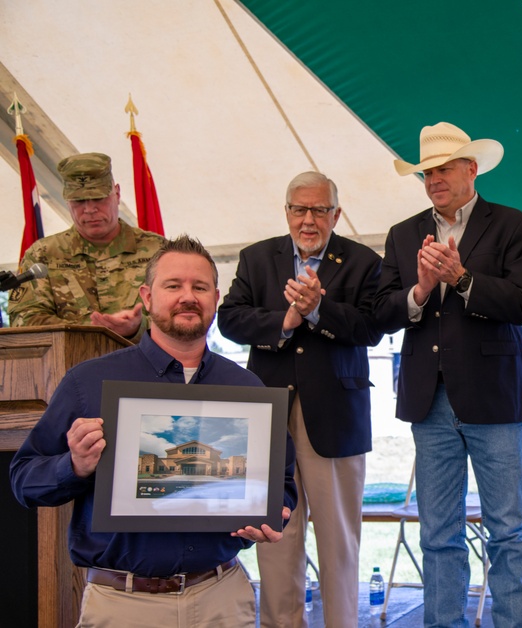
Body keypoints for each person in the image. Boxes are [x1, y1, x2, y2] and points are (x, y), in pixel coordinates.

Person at [9, 235, 297, 627]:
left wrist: (270, 514)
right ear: (146, 296)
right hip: (123, 604)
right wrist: (74, 465)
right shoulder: (87, 382)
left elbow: (281, 482)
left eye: (199, 287)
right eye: (173, 286)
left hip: (222, 599)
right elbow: (24, 480)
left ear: (215, 298)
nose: (187, 297)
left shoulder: (247, 390)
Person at [373, 122, 522, 627]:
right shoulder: (403, 234)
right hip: (430, 401)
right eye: (427, 173)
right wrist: (420, 291)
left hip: (493, 399)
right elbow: (380, 315)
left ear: (472, 168)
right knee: (437, 532)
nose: (434, 180)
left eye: (444, 169)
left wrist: (462, 279)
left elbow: (521, 304)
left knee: (506, 528)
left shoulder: (513, 225)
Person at [217, 171, 383, 628]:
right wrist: (286, 320)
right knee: (275, 536)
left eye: (319, 210)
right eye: (299, 209)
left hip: (334, 417)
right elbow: (230, 318)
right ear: (286, 210)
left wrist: (319, 310)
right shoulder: (256, 258)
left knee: (339, 542)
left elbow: (372, 326)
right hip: (268, 414)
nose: (308, 220)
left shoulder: (363, 260)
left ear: (336, 214)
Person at [8, 152, 166, 340]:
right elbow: (25, 319)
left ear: (117, 193)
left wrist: (137, 328)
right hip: (69, 366)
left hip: (144, 366)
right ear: (67, 201)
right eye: (79, 201)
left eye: (99, 198)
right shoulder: (43, 255)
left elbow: (179, 316)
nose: (89, 209)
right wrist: (93, 331)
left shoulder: (158, 250)